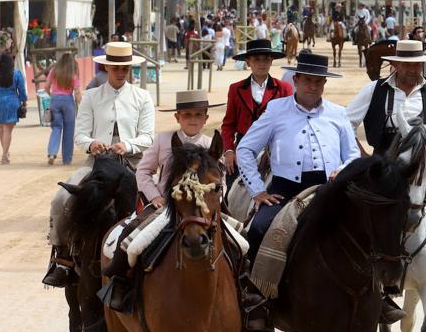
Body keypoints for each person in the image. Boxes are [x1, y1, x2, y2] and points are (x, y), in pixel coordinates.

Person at [237, 52, 372, 328]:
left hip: (330, 191)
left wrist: (343, 169)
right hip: (286, 191)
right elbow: (245, 149)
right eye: (307, 80)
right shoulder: (276, 110)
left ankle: (378, 297)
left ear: (324, 83)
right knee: (259, 228)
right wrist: (257, 191)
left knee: (369, 229)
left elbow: (352, 155)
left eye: (318, 81)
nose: (313, 86)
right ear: (296, 80)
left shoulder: (338, 114)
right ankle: (257, 298)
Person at [346, 39, 426, 293]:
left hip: (422, 162)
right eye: (408, 65)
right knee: (355, 204)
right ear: (394, 65)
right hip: (384, 164)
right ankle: (359, 263)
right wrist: (362, 156)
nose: (414, 71)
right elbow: (345, 124)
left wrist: (424, 140)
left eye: (419, 65)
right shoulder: (374, 90)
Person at [42, 41, 155, 287]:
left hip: (132, 164)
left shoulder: (142, 97)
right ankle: (62, 259)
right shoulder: (92, 96)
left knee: (160, 205)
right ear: (107, 67)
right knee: (60, 198)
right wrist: (93, 143)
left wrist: (127, 145)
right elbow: (80, 134)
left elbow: (148, 136)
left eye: (125, 67)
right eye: (116, 67)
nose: (121, 71)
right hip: (96, 165)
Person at [101, 89, 222, 300]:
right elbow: (143, 171)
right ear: (178, 117)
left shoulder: (210, 145)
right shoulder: (163, 140)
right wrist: (155, 196)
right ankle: (120, 282)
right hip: (164, 206)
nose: (192, 120)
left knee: (241, 241)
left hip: (202, 209)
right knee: (132, 234)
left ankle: (243, 284)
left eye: (198, 115)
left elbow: (221, 182)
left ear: (206, 118)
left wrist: (211, 202)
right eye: (187, 115)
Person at [221, 39, 292, 188]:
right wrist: (228, 150)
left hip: (274, 146)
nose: (262, 63)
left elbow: (289, 122)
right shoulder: (235, 89)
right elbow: (228, 125)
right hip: (243, 146)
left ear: (271, 61)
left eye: (266, 59)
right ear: (248, 62)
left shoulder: (284, 88)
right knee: (230, 188)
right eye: (257, 59)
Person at [0, 53, 27, 164]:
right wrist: (24, 100)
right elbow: (22, 90)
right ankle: (5, 155)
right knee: (7, 130)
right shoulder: (17, 73)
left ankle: (5, 151)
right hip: (12, 103)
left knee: (2, 129)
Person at [44, 52, 82, 166]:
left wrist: (52, 95)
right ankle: (66, 159)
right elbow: (77, 93)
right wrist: (82, 105)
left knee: (56, 127)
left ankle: (52, 152)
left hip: (55, 100)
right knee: (69, 131)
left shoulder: (54, 72)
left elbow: (46, 87)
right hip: (68, 101)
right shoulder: (73, 74)